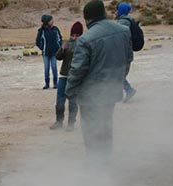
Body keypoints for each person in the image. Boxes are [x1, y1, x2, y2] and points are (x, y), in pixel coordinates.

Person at [65, 0, 133, 165]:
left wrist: (69, 90)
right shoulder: (123, 31)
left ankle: (95, 166)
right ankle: (105, 160)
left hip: (91, 95)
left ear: (87, 19)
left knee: (91, 130)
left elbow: (77, 70)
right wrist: (118, 79)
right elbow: (128, 58)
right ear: (103, 13)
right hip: (111, 90)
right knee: (106, 125)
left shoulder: (85, 39)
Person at [51, 21, 82, 131]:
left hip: (75, 77)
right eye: (73, 35)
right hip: (63, 75)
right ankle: (59, 121)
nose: (74, 37)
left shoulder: (83, 44)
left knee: (73, 101)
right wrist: (62, 49)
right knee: (60, 100)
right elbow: (58, 57)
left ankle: (71, 124)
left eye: (77, 35)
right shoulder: (67, 43)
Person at [116, 2, 137, 102]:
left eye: (117, 10)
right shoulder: (127, 20)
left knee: (117, 75)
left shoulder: (123, 22)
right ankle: (125, 92)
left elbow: (120, 39)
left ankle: (129, 90)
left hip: (122, 55)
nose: (116, 12)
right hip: (125, 54)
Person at [36, 14, 62, 89]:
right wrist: (43, 48)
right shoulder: (41, 31)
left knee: (54, 67)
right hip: (46, 53)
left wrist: (59, 46)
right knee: (46, 68)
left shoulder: (55, 29)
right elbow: (38, 42)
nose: (53, 21)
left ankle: (55, 83)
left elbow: (59, 38)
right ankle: (47, 84)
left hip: (54, 52)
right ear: (47, 22)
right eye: (51, 20)